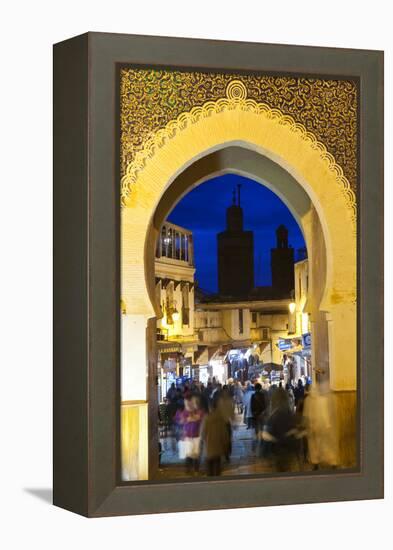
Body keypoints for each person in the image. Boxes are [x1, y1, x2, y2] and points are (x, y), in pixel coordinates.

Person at [175, 395, 204, 474]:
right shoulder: (184, 412)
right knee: (188, 454)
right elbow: (179, 420)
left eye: (191, 402)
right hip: (187, 436)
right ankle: (188, 470)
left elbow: (200, 418)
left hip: (197, 436)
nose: (189, 404)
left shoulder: (199, 411)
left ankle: (196, 470)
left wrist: (190, 418)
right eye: (188, 403)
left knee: (196, 454)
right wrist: (189, 419)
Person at [201, 398, 231, 476]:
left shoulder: (206, 418)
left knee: (209, 470)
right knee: (217, 468)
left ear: (210, 407)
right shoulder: (222, 419)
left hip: (208, 447)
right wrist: (226, 447)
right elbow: (225, 435)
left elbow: (202, 433)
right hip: (218, 447)